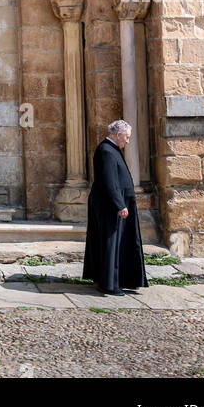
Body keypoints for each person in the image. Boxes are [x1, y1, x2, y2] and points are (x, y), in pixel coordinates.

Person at [82, 119, 148, 295]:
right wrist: (120, 205)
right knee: (111, 244)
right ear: (118, 135)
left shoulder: (111, 149)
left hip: (116, 205)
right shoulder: (106, 151)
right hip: (110, 207)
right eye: (126, 137)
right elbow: (110, 181)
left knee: (118, 244)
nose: (128, 141)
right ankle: (109, 284)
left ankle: (119, 280)